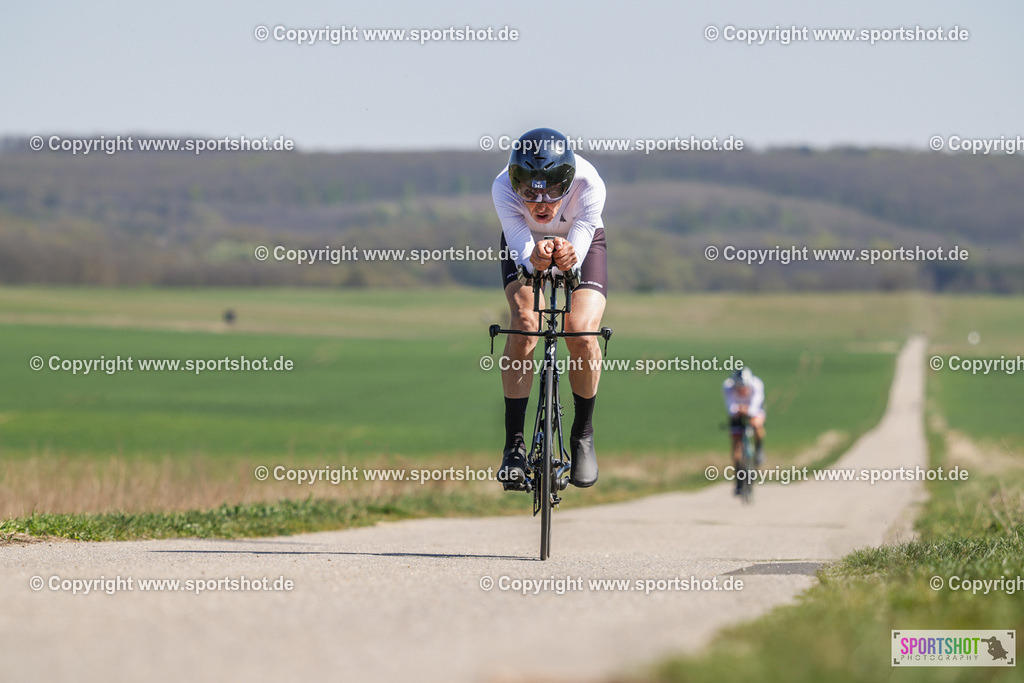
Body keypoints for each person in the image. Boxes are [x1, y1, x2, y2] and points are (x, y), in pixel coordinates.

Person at [492, 127, 608, 489]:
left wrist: (567, 259)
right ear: (516, 185)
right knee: (525, 322)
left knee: (582, 332)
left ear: (568, 183)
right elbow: (523, 254)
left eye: (553, 193)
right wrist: (533, 258)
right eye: (529, 193)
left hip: (581, 240)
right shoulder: (501, 187)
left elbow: (574, 257)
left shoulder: (591, 186)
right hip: (525, 241)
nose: (541, 205)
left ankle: (582, 436)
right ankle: (514, 445)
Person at [722, 367, 766, 495]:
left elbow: (756, 404)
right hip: (737, 413)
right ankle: (739, 480)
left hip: (753, 408)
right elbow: (731, 408)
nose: (742, 390)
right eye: (739, 388)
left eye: (744, 388)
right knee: (736, 446)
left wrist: (748, 411)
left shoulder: (756, 384)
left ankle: (759, 449)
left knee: (757, 424)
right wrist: (738, 410)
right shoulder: (727, 387)